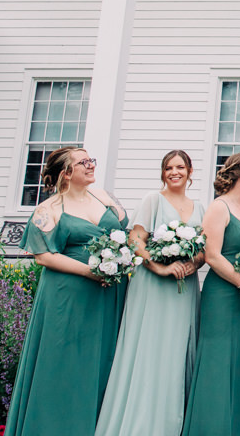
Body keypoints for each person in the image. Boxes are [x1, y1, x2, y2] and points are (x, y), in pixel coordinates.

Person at [5, 146, 129, 436]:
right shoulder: (50, 209)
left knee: (101, 359)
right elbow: (44, 256)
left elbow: (123, 233)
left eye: (91, 160)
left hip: (106, 294)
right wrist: (90, 271)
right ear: (66, 173)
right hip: (67, 294)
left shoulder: (104, 197)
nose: (91, 166)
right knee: (62, 361)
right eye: (83, 162)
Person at [96, 150, 206, 436]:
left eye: (180, 167)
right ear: (163, 173)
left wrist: (192, 264)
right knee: (149, 345)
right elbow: (135, 239)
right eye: (169, 168)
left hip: (184, 287)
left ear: (190, 171)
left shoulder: (200, 207)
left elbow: (204, 249)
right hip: (153, 283)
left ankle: (172, 421)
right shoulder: (152, 200)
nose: (174, 172)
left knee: (176, 346)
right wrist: (159, 267)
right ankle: (141, 421)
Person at [182, 153, 240, 436]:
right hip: (223, 294)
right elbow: (212, 255)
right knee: (218, 360)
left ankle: (239, 428)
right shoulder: (219, 208)